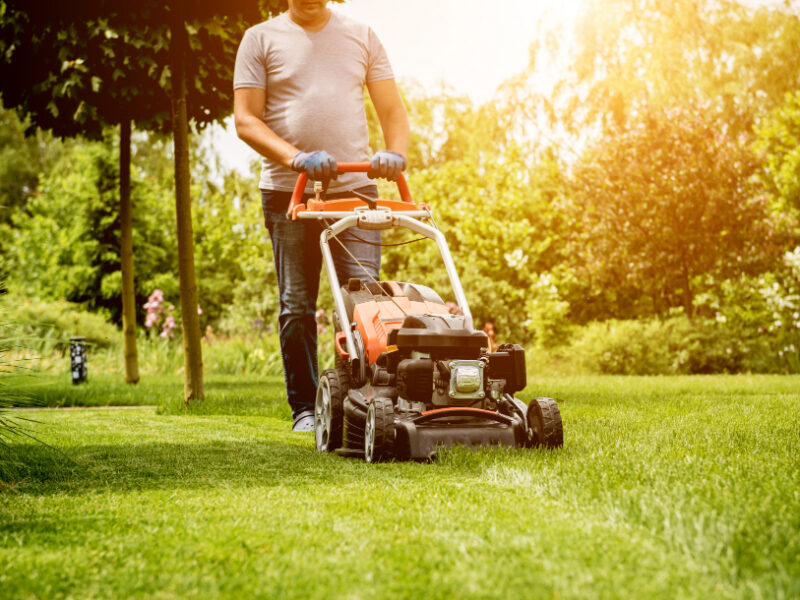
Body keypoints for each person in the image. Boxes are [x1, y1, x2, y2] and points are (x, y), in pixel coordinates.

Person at [233, 0, 410, 432]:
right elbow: (245, 120)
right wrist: (297, 158)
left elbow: (392, 110)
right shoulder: (260, 39)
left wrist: (395, 154)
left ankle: (359, 403)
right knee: (296, 305)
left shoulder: (362, 35)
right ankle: (306, 409)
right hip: (288, 193)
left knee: (365, 303)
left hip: (356, 191)